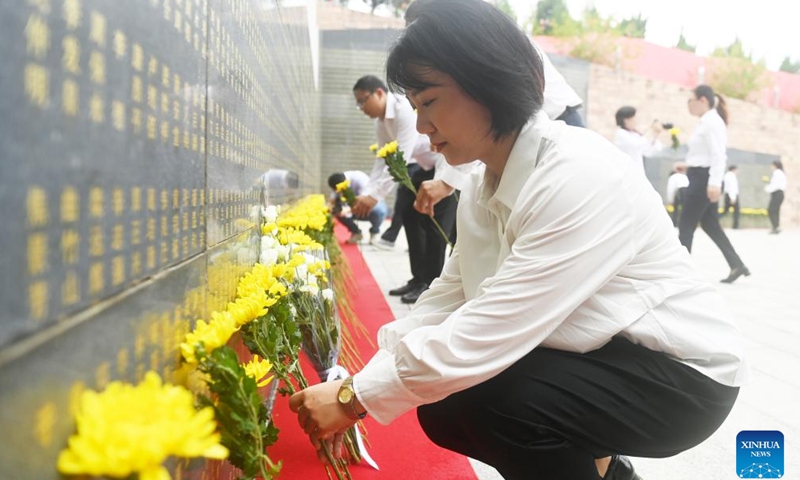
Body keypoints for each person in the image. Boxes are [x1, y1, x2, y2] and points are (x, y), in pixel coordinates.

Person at [289, 2, 747, 480]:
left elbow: (494, 326)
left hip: (681, 376)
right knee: (445, 405)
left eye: (429, 102)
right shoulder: (483, 186)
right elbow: (449, 298)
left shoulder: (577, 173)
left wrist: (356, 399)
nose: (423, 127)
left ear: (487, 82)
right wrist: (359, 381)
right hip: (601, 353)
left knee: (497, 402)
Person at [352, 75, 457, 303]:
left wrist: (374, 196)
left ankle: (431, 285)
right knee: (409, 214)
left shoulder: (403, 109)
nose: (361, 108)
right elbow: (383, 160)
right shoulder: (380, 122)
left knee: (434, 225)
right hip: (424, 166)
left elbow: (401, 155)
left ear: (379, 93)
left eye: (363, 101)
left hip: (445, 166)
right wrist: (368, 193)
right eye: (358, 103)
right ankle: (418, 279)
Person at [678, 85, 750, 284]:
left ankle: (680, 275)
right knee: (710, 225)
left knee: (685, 224)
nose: (688, 105)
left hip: (704, 181)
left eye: (690, 100)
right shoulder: (705, 122)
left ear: (702, 100)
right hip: (701, 176)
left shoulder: (712, 122)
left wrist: (715, 184)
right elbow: (705, 156)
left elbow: (719, 155)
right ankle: (737, 265)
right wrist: (688, 166)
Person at [327, 171, 388, 245]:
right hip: (351, 209)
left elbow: (365, 201)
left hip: (369, 206)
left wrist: (347, 211)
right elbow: (331, 201)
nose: (339, 191)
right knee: (336, 210)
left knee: (379, 210)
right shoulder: (337, 182)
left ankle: (374, 231)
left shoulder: (359, 179)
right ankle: (356, 233)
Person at [613, 106, 664, 174]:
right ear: (625, 120)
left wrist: (655, 135)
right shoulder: (620, 133)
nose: (635, 121)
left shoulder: (635, 134)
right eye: (633, 118)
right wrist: (650, 130)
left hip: (638, 173)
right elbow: (636, 144)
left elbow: (647, 151)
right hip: (626, 173)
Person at [765, 160, 786, 234]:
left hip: (777, 193)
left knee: (771, 210)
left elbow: (775, 185)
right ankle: (776, 227)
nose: (771, 167)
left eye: (772, 165)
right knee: (775, 211)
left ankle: (775, 227)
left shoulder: (777, 173)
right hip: (779, 194)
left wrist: (767, 188)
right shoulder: (780, 173)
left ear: (775, 165)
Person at [666, 162, 689, 226]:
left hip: (681, 191)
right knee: (685, 209)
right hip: (688, 191)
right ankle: (685, 224)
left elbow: (671, 189)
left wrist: (670, 200)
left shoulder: (673, 177)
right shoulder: (684, 176)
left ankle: (675, 223)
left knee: (676, 208)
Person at [721, 165, 740, 229]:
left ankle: (715, 220)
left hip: (728, 195)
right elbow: (732, 187)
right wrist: (733, 197)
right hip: (732, 195)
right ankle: (736, 226)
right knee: (736, 211)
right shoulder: (731, 176)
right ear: (734, 169)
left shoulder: (726, 175)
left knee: (725, 210)